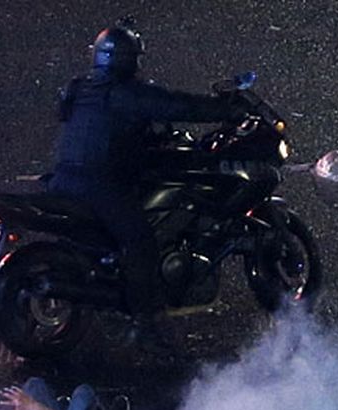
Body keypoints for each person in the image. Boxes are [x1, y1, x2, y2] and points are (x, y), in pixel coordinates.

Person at [47, 22, 252, 351]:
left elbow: (70, 114)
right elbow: (177, 105)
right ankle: (147, 321)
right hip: (98, 183)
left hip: (63, 180)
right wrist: (226, 110)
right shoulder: (126, 93)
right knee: (141, 240)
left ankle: (108, 289)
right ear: (127, 59)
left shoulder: (81, 86)